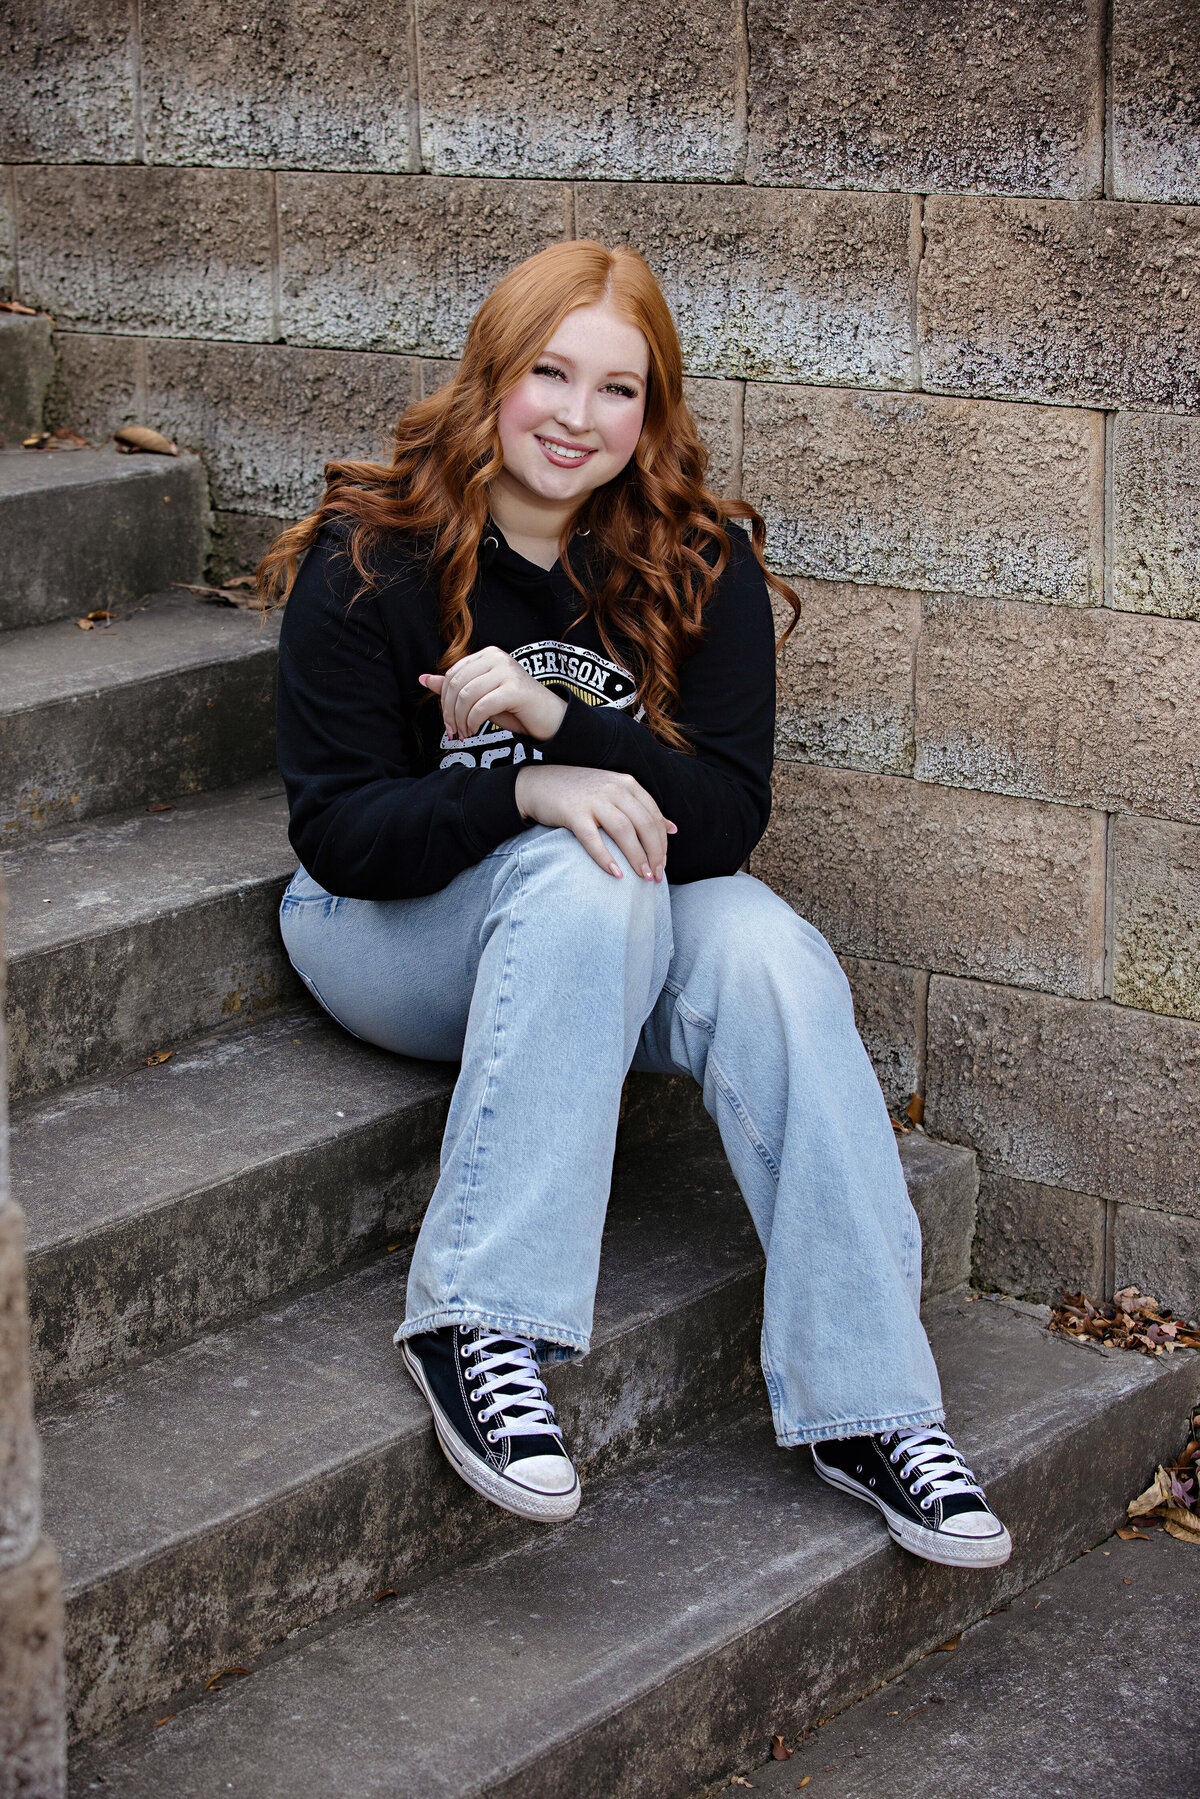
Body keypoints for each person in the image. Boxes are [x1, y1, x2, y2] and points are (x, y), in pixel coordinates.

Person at [261, 241, 1011, 1570]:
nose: (576, 415)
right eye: (548, 373)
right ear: (492, 375)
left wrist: (558, 725)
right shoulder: (370, 558)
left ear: (654, 410)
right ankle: (477, 1320)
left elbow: (721, 825)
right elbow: (339, 833)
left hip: (603, 924)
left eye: (619, 389)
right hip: (383, 934)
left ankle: (872, 1403)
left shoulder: (695, 557)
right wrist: (524, 796)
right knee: (579, 865)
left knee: (771, 949)